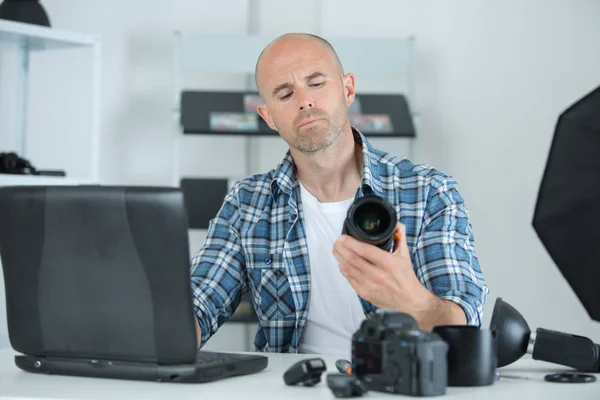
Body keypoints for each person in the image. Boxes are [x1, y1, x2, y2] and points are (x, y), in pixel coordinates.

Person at [190, 32, 488, 356]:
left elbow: (465, 329)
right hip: (288, 387)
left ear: (347, 90)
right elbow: (199, 304)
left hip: (399, 386)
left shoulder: (428, 192)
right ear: (269, 117)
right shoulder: (247, 203)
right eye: (285, 93)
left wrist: (410, 299)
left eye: (316, 83)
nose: (305, 100)